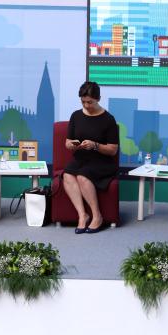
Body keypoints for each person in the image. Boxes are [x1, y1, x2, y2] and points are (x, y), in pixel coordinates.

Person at [63, 81, 119, 234]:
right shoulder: (76, 116)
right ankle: (83, 215)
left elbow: (113, 150)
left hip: (102, 162)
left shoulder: (108, 119)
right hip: (81, 158)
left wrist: (95, 145)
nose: (86, 105)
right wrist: (72, 145)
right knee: (67, 174)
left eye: (90, 102)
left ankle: (97, 216)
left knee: (82, 176)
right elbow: (67, 142)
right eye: (83, 102)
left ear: (98, 99)